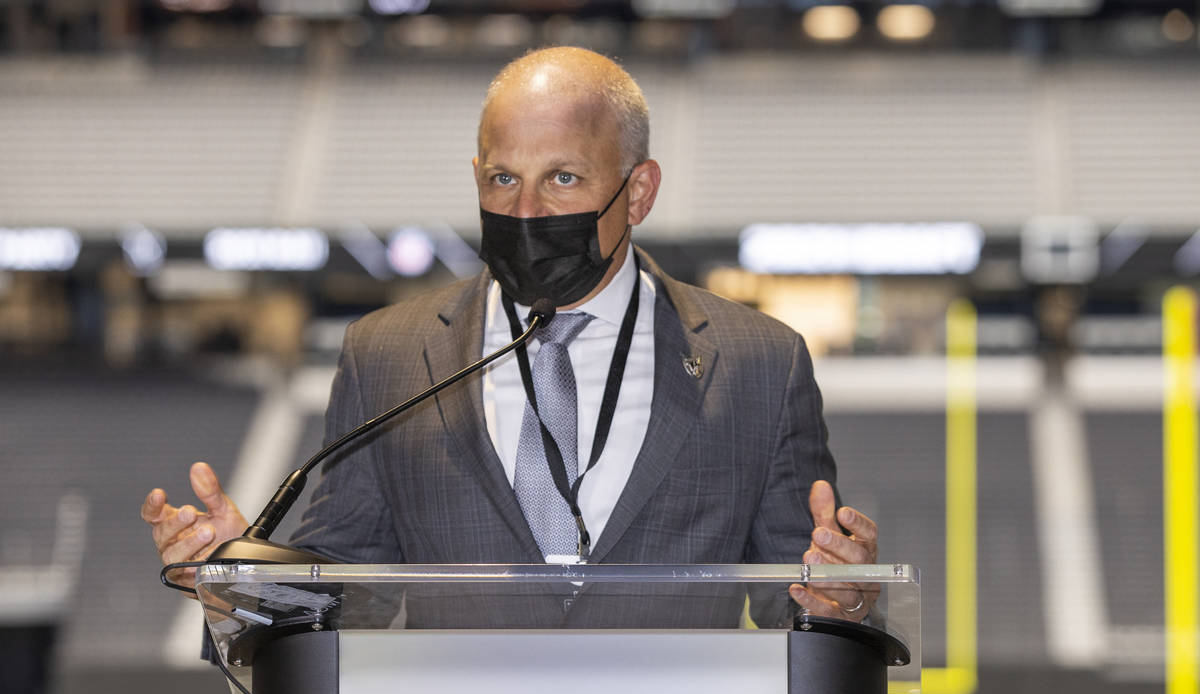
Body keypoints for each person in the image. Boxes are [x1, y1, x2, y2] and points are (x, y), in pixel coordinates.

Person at [142, 46, 878, 626]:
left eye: (562, 179)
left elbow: (797, 599)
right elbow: (350, 596)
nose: (525, 211)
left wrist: (839, 595)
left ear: (640, 191)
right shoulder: (388, 353)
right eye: (501, 180)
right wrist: (241, 580)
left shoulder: (761, 364)